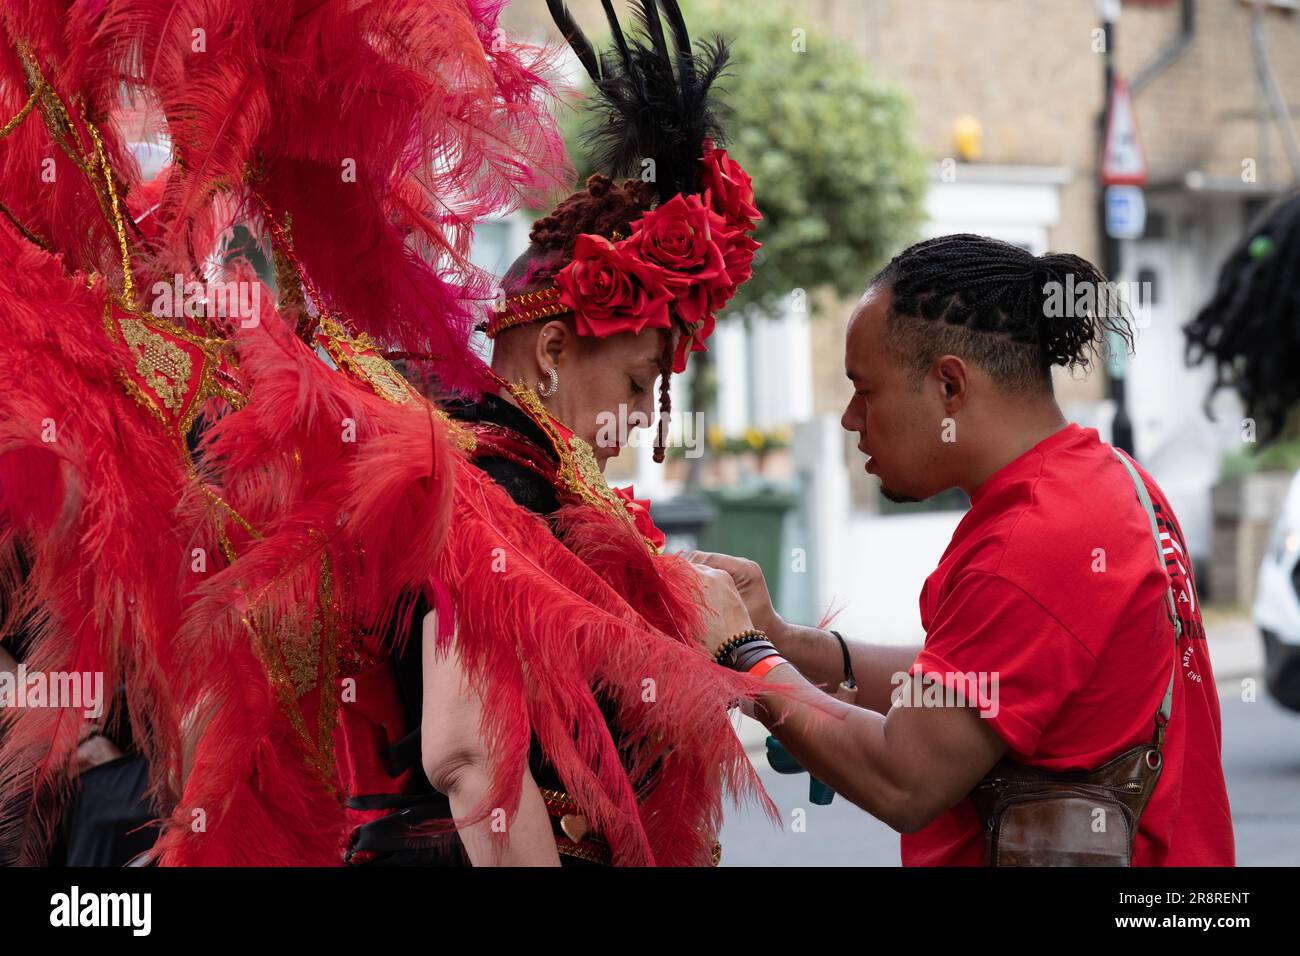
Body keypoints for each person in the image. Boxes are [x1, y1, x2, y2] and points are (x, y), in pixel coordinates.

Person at [347, 0, 769, 867]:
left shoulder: (527, 480)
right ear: (550, 350)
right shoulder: (487, 484)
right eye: (637, 383)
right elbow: (468, 753)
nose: (646, 420)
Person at [690, 233, 1237, 866]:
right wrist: (787, 642)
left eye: (865, 390)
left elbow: (905, 778)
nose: (849, 418)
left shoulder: (1034, 540)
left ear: (949, 386)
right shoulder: (1113, 480)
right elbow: (980, 675)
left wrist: (744, 654)